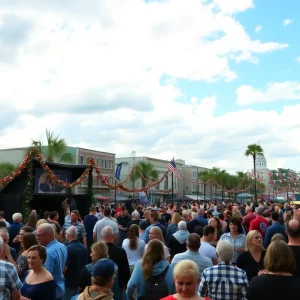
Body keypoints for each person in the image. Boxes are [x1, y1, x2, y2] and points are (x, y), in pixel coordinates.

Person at [37, 223, 67, 300]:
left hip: (51, 293)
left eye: (39, 235)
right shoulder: (62, 246)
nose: (37, 238)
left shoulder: (48, 253)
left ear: (48, 236)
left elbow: (46, 278)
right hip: (60, 288)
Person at [101, 226, 130, 299]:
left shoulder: (98, 252)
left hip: (100, 286)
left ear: (102, 237)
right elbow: (126, 271)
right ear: (113, 236)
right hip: (118, 286)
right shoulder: (121, 252)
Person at [63, 226, 88, 300]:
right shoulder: (83, 247)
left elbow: (65, 267)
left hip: (69, 282)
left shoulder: (68, 248)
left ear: (67, 234)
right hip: (80, 281)